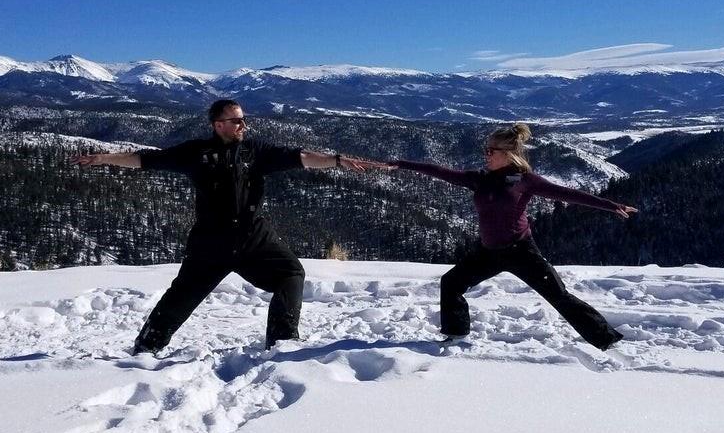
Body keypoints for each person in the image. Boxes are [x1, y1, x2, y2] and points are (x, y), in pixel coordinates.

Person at [74, 99, 372, 353]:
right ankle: (146, 348)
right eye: (237, 121)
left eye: (243, 120)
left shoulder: (256, 151)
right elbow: (145, 160)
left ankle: (282, 342)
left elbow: (301, 158)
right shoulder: (195, 153)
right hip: (211, 241)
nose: (243, 125)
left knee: (291, 273)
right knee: (183, 296)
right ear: (218, 125)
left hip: (254, 237)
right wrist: (103, 158)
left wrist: (337, 161)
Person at [357, 123, 637, 349]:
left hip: (521, 251)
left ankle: (606, 339)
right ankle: (456, 334)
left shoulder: (525, 180)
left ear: (508, 153)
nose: (486, 154)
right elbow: (440, 172)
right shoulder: (480, 178)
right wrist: (400, 164)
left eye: (491, 150)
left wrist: (611, 206)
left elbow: (567, 194)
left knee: (559, 295)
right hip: (488, 252)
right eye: (486, 150)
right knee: (451, 283)